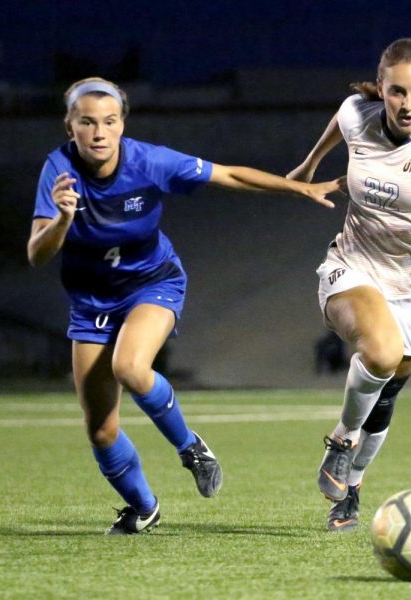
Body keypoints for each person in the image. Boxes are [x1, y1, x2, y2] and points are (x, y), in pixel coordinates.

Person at [27, 77, 339, 535]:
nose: (99, 132)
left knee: (130, 367)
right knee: (100, 430)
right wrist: (63, 218)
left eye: (109, 122)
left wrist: (298, 188)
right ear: (69, 125)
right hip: (91, 300)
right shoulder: (58, 171)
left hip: (153, 283)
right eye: (87, 122)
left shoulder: (148, 161)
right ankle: (144, 507)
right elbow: (37, 253)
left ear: (122, 125)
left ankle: (191, 447)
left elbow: (228, 174)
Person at [287, 38, 411, 532]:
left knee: (387, 394)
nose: (406, 103)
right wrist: (308, 166)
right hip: (352, 266)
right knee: (382, 354)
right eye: (396, 92)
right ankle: (342, 440)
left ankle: (353, 485)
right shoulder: (357, 113)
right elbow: (341, 121)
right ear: (382, 88)